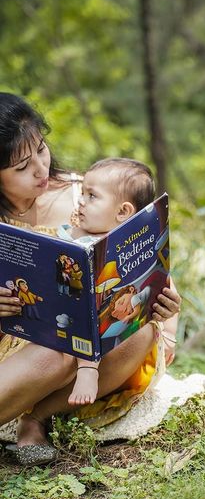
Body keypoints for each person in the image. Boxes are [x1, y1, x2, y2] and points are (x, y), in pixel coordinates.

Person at [0, 93, 181, 466]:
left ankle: (36, 417)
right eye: (22, 167)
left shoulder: (89, 194)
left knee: (140, 332)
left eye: (42, 149)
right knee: (55, 353)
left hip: (89, 353)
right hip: (17, 347)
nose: (41, 169)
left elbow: (149, 260)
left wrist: (166, 310)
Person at [57, 157, 174, 408]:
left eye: (92, 196)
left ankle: (90, 370)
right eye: (82, 193)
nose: (81, 201)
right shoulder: (72, 235)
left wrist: (171, 337)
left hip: (117, 328)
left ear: (123, 211)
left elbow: (165, 286)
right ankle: (87, 368)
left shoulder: (135, 247)